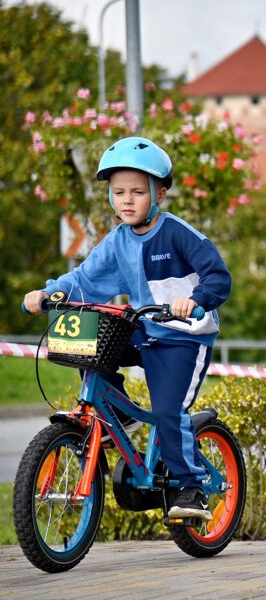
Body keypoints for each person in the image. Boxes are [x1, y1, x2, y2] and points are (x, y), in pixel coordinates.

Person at [23, 136, 231, 521]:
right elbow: (84, 279)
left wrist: (196, 299)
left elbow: (218, 276)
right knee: (91, 344)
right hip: (143, 328)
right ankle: (120, 415)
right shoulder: (117, 241)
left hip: (183, 337)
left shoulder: (178, 234)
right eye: (119, 192)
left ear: (160, 194)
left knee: (169, 412)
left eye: (138, 191)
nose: (127, 200)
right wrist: (48, 292)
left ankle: (192, 487)